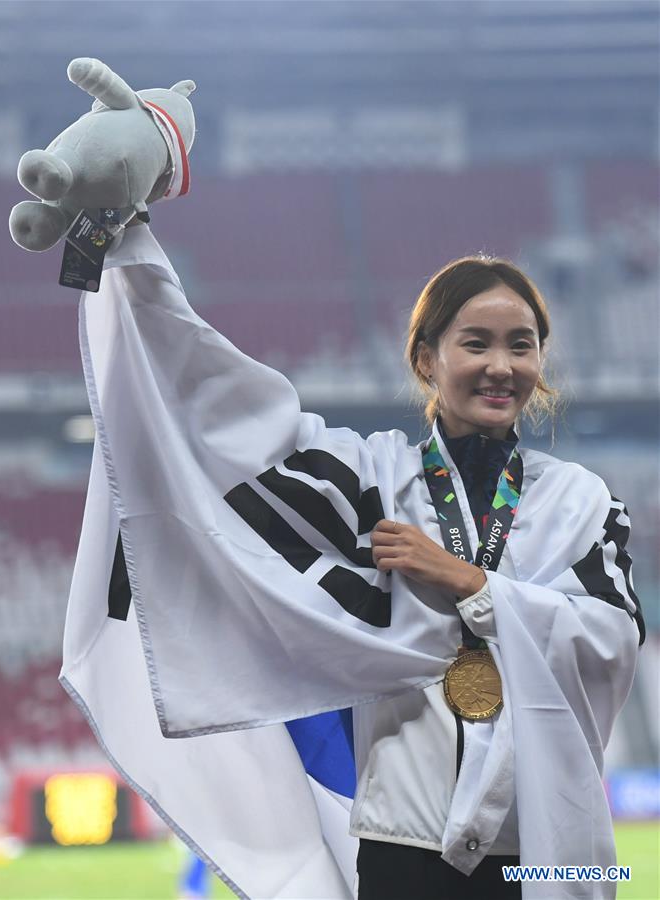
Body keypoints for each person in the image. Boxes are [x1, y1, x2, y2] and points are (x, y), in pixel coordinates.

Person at [61, 220, 644, 900]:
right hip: (401, 848)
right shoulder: (369, 480)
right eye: (474, 343)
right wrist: (129, 253)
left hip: (545, 850)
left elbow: (612, 641)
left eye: (522, 345)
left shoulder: (580, 500)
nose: (500, 366)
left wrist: (471, 584)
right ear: (426, 359)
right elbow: (222, 419)